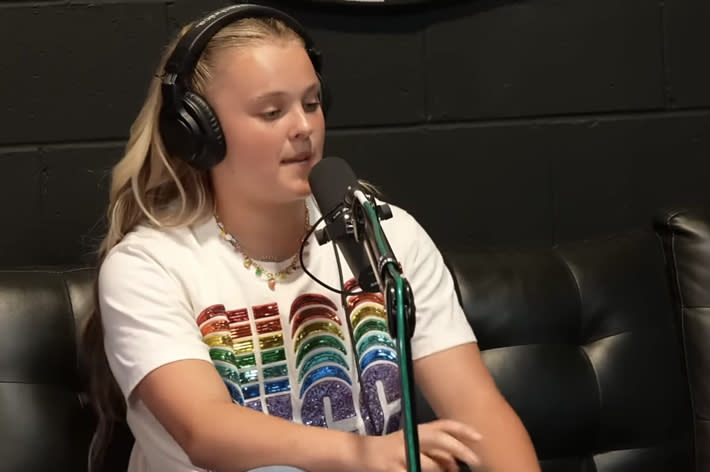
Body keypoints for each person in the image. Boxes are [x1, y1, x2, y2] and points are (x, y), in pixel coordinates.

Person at [82, 4, 540, 472]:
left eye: (311, 103)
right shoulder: (148, 266)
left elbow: (478, 412)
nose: (303, 127)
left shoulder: (385, 236)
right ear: (200, 132)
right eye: (272, 111)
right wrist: (367, 454)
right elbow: (205, 431)